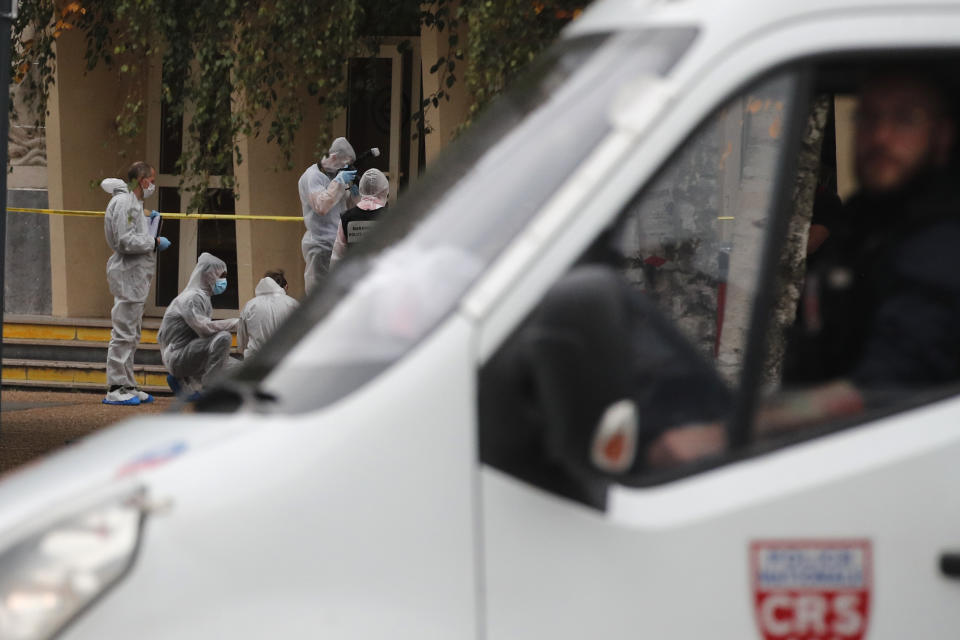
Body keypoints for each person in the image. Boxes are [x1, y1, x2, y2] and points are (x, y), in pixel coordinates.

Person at [649, 69, 960, 467]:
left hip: (894, 463)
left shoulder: (942, 241)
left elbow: (885, 389)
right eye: (867, 118)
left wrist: (731, 430)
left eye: (905, 119)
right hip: (831, 451)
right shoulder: (866, 224)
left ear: (943, 136)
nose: (881, 137)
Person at [101, 161, 172, 406]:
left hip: (134, 275)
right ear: (143, 181)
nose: (153, 185)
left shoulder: (133, 204)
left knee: (131, 332)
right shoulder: (126, 204)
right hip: (128, 274)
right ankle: (117, 386)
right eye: (151, 180)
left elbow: (132, 235)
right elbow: (125, 241)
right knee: (123, 332)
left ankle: (127, 383)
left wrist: (148, 228)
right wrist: (153, 242)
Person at [158, 252, 240, 399]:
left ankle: (188, 383)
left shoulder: (204, 297)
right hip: (178, 356)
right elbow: (204, 329)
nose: (224, 281)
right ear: (208, 274)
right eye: (221, 276)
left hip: (190, 352)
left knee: (240, 368)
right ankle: (208, 389)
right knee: (223, 338)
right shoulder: (192, 297)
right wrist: (235, 322)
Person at [299, 137, 359, 294]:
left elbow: (348, 207)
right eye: (344, 164)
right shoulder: (312, 176)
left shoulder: (336, 176)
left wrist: (355, 194)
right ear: (333, 158)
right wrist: (339, 183)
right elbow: (321, 206)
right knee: (318, 293)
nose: (345, 168)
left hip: (338, 242)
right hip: (320, 244)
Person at [330, 168, 389, 267]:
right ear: (384, 190)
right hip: (381, 277)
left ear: (361, 188)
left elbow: (337, 255)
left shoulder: (346, 217)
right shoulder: (390, 217)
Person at [237, 269, 299, 359]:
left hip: (255, 363)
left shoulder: (250, 305)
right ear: (286, 287)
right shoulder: (293, 304)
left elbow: (242, 342)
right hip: (286, 361)